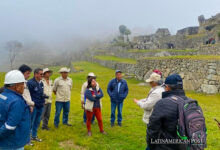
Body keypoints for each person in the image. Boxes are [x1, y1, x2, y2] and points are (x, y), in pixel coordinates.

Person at [147, 74, 188, 150]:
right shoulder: (192, 104)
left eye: (165, 86)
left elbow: (153, 130)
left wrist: (150, 145)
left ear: (168, 87)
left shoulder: (162, 103)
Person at [0, 70, 31, 150]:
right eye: (23, 83)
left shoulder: (2, 96)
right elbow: (9, 127)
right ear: (16, 86)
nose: (24, 86)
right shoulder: (17, 101)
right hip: (13, 143)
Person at [28, 68, 45, 142]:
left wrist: (43, 101)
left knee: (37, 122)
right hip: (33, 106)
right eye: (41, 74)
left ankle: (34, 136)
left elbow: (41, 94)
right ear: (35, 74)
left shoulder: (41, 83)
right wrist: (31, 105)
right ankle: (27, 139)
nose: (42, 75)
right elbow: (28, 95)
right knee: (30, 123)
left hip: (40, 106)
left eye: (43, 74)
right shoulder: (30, 83)